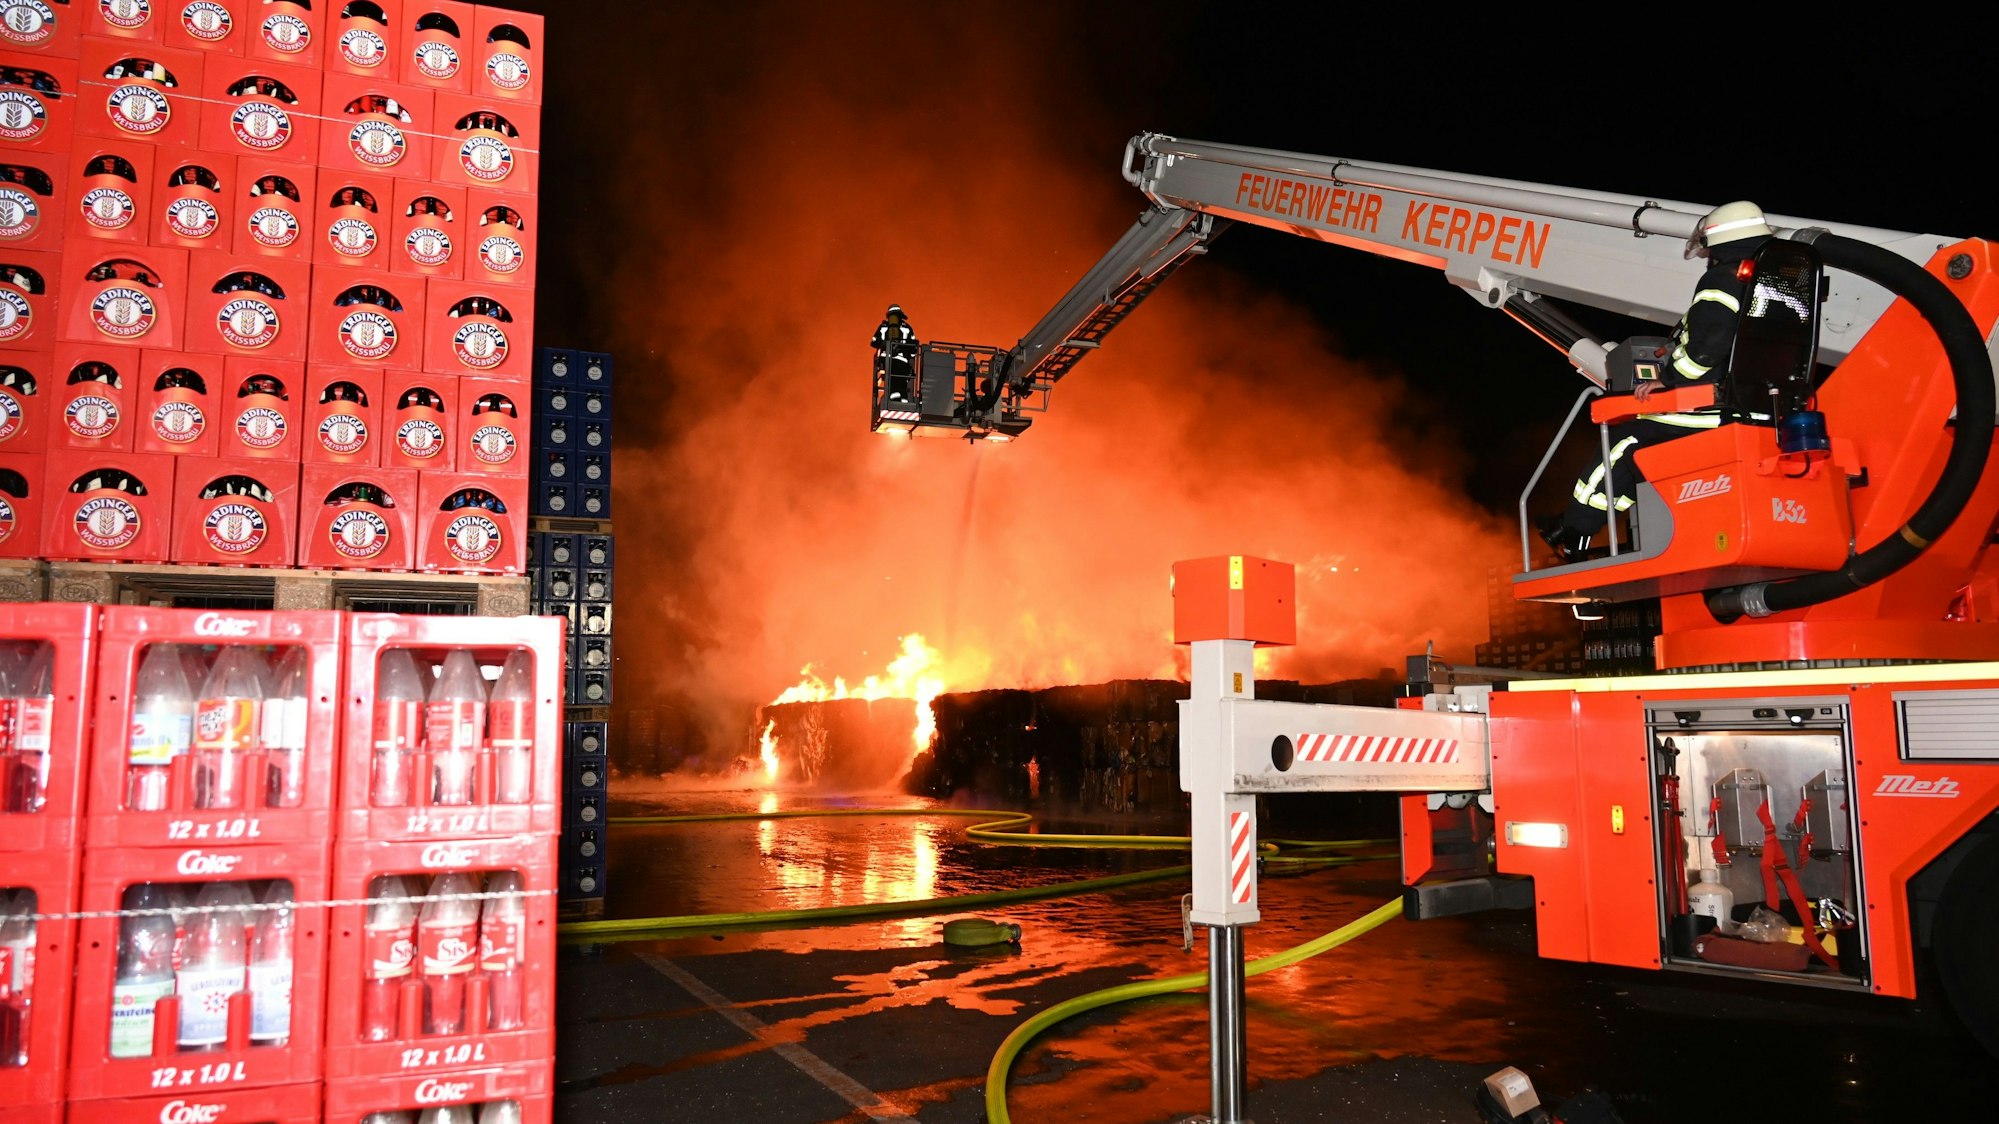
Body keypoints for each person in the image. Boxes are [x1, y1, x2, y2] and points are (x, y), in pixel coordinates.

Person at [1538, 201, 1775, 563]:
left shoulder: (1723, 279)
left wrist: (1669, 380)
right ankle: (1570, 523)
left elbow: (1707, 347)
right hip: (1757, 409)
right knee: (1642, 460)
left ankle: (1573, 536)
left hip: (1709, 410)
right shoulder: (1770, 280)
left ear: (1719, 242)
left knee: (1621, 446)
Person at [872, 304, 918, 401]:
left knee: (892, 381)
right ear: (900, 315)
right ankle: (903, 399)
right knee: (901, 381)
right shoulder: (907, 328)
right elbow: (914, 348)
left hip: (886, 361)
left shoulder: (883, 327)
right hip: (902, 362)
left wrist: (883, 345)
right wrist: (909, 356)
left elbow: (873, 342)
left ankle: (893, 398)